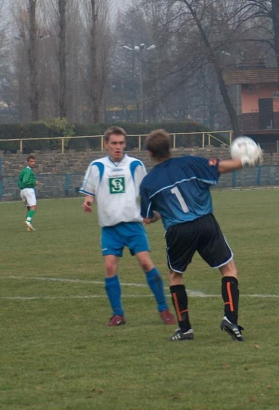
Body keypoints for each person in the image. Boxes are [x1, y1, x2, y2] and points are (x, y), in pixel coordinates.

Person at [139, 129, 261, 342]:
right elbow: (221, 167)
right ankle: (230, 319)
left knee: (176, 276)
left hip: (178, 231)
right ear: (170, 147)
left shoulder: (148, 183)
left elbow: (148, 218)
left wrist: (162, 212)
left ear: (149, 152)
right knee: (228, 269)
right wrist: (246, 160)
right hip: (206, 224)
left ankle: (185, 329)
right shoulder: (191, 163)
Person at [80, 126, 174, 327]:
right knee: (109, 266)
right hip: (110, 228)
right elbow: (90, 192)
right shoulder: (96, 166)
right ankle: (118, 314)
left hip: (133, 225)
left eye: (121, 143)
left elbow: (147, 191)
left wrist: (155, 211)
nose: (118, 147)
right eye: (114, 143)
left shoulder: (135, 165)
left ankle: (164, 309)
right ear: (106, 144)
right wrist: (88, 201)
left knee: (146, 263)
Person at [18, 155, 38, 231]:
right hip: (28, 190)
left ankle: (29, 226)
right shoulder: (28, 171)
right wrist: (34, 182)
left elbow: (20, 181)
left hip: (22, 191)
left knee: (29, 208)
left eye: (34, 161)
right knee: (33, 207)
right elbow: (25, 181)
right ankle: (28, 221)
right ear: (27, 162)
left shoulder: (23, 171)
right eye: (31, 161)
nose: (33, 163)